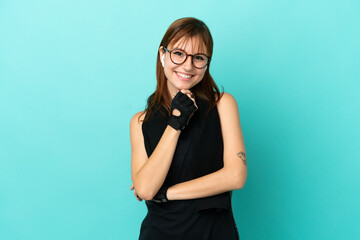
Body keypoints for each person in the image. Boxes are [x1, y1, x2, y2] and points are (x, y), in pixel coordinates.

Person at [130, 17, 247, 240]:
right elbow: (145, 189)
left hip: (213, 232)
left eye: (198, 58)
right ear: (162, 55)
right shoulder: (140, 122)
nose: (188, 66)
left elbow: (235, 175)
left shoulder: (222, 104)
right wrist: (176, 122)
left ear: (207, 63)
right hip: (160, 232)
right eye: (179, 54)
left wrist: (166, 193)